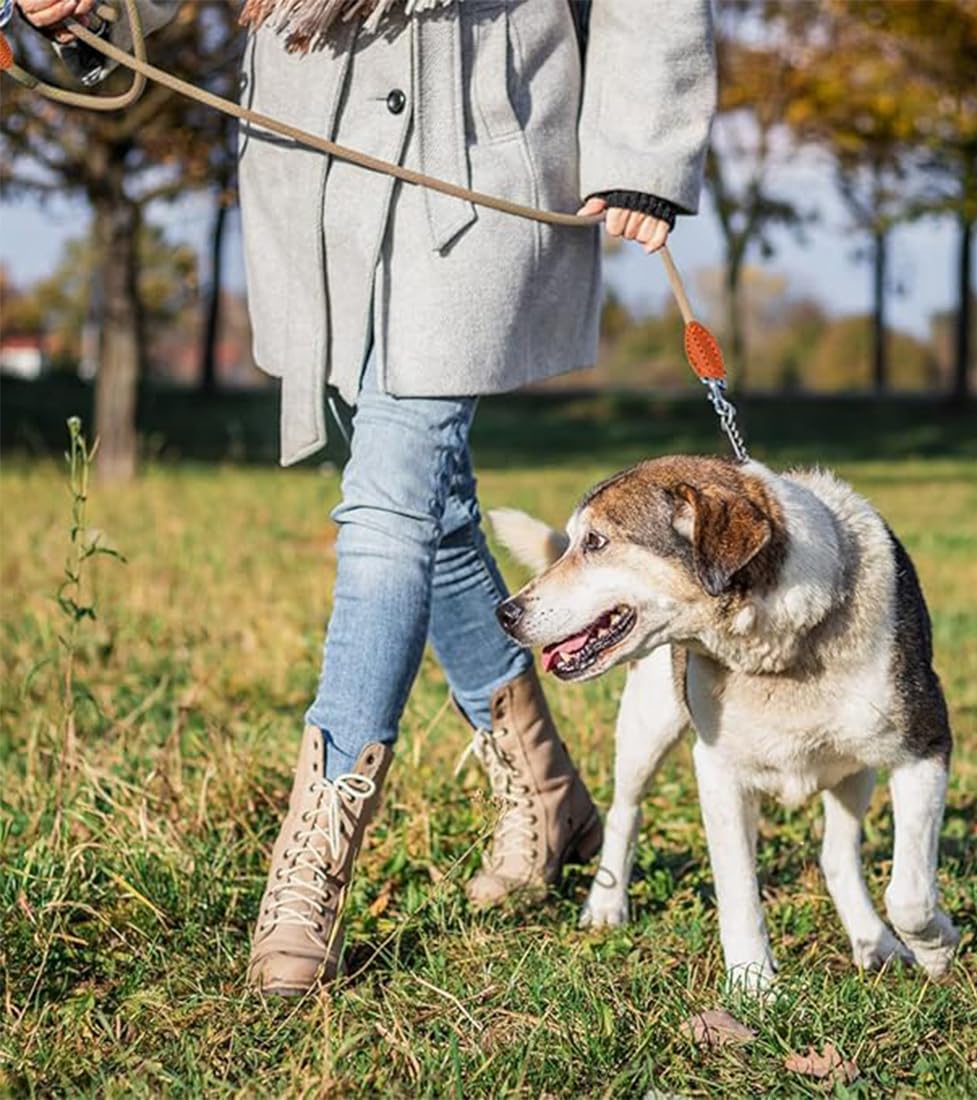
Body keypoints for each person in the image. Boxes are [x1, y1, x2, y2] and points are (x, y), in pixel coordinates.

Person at [18, 0, 716, 997]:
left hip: (478, 128)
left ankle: (308, 873)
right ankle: (547, 794)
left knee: (391, 491)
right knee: (426, 504)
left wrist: (643, 138)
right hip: (318, 129)